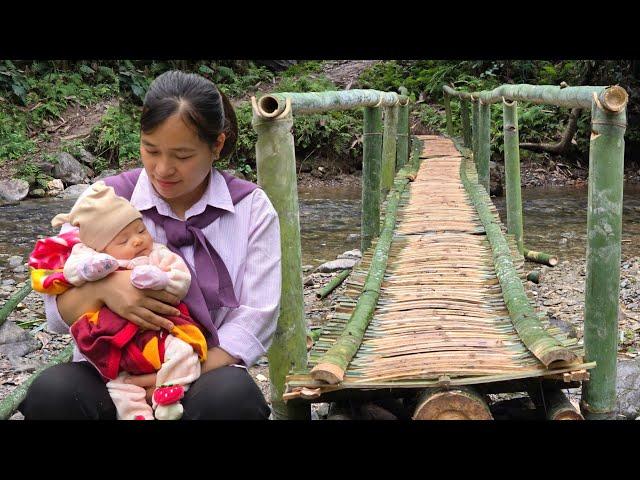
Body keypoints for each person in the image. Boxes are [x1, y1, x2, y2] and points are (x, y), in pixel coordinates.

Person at [19, 70, 280, 420]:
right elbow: (55, 312)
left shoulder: (251, 208)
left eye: (182, 156)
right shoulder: (104, 200)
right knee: (53, 392)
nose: (162, 169)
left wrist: (175, 373)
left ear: (217, 145)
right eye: (150, 150)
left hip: (202, 370)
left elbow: (257, 315)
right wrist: (107, 290)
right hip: (112, 372)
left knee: (232, 398)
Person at [30, 181, 207, 420]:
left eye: (141, 231)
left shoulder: (157, 253)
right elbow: (68, 279)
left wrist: (160, 279)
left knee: (184, 353)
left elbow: (179, 278)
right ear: (100, 249)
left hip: (161, 337)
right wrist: (97, 280)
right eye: (123, 241)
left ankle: (168, 395)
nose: (136, 241)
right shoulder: (92, 255)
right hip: (116, 344)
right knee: (119, 385)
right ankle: (136, 416)